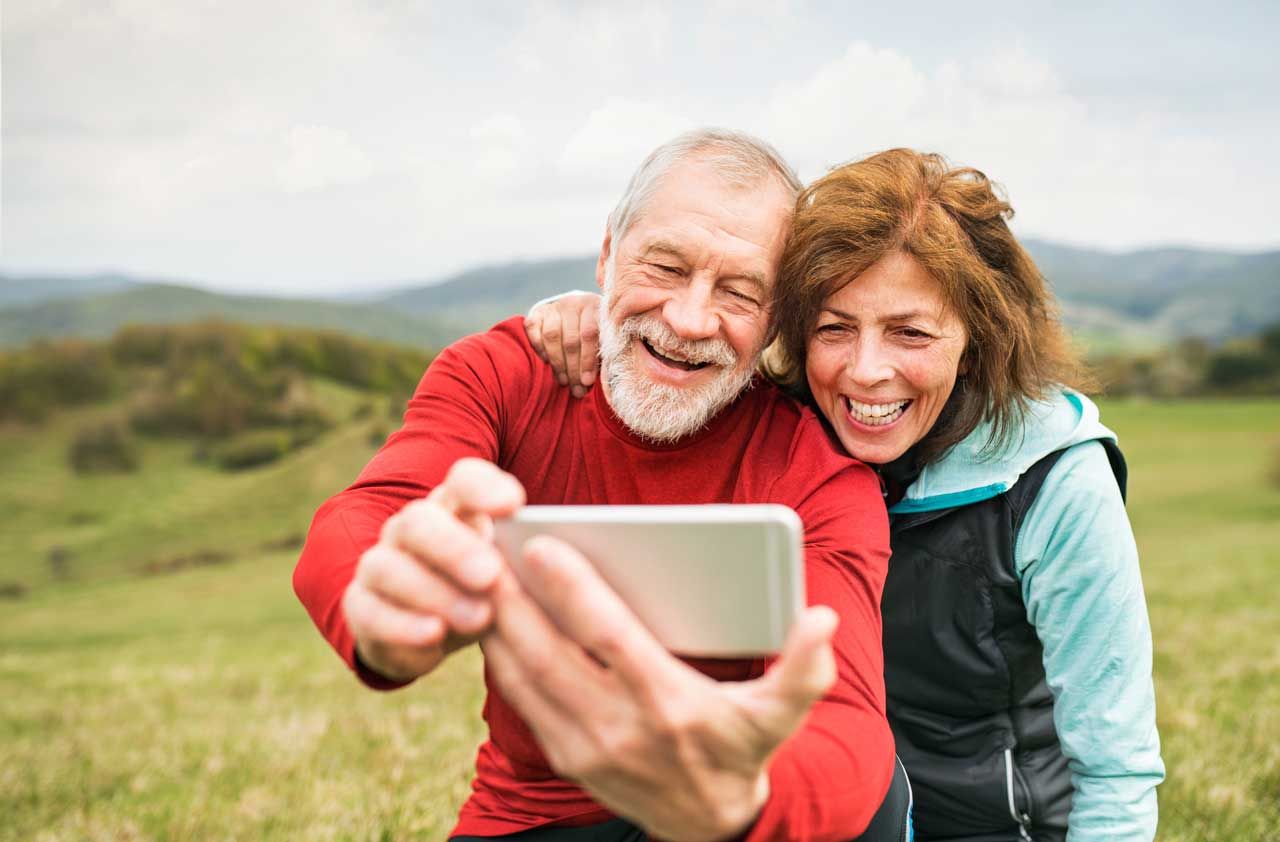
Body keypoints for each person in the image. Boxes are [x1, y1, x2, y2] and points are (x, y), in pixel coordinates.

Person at [526, 148, 1165, 841]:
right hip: (810, 817)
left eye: (910, 333)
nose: (866, 372)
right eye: (834, 328)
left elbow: (1116, 773)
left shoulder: (1057, 483)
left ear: (975, 342)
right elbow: (684, 340)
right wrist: (590, 317)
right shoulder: (785, 436)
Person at [293, 129, 907, 841]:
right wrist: (380, 597)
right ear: (609, 254)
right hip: (532, 815)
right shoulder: (501, 375)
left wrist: (743, 794)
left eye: (740, 292)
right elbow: (369, 513)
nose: (689, 318)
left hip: (722, 804)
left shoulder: (815, 471)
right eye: (666, 267)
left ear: (775, 321)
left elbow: (849, 729)